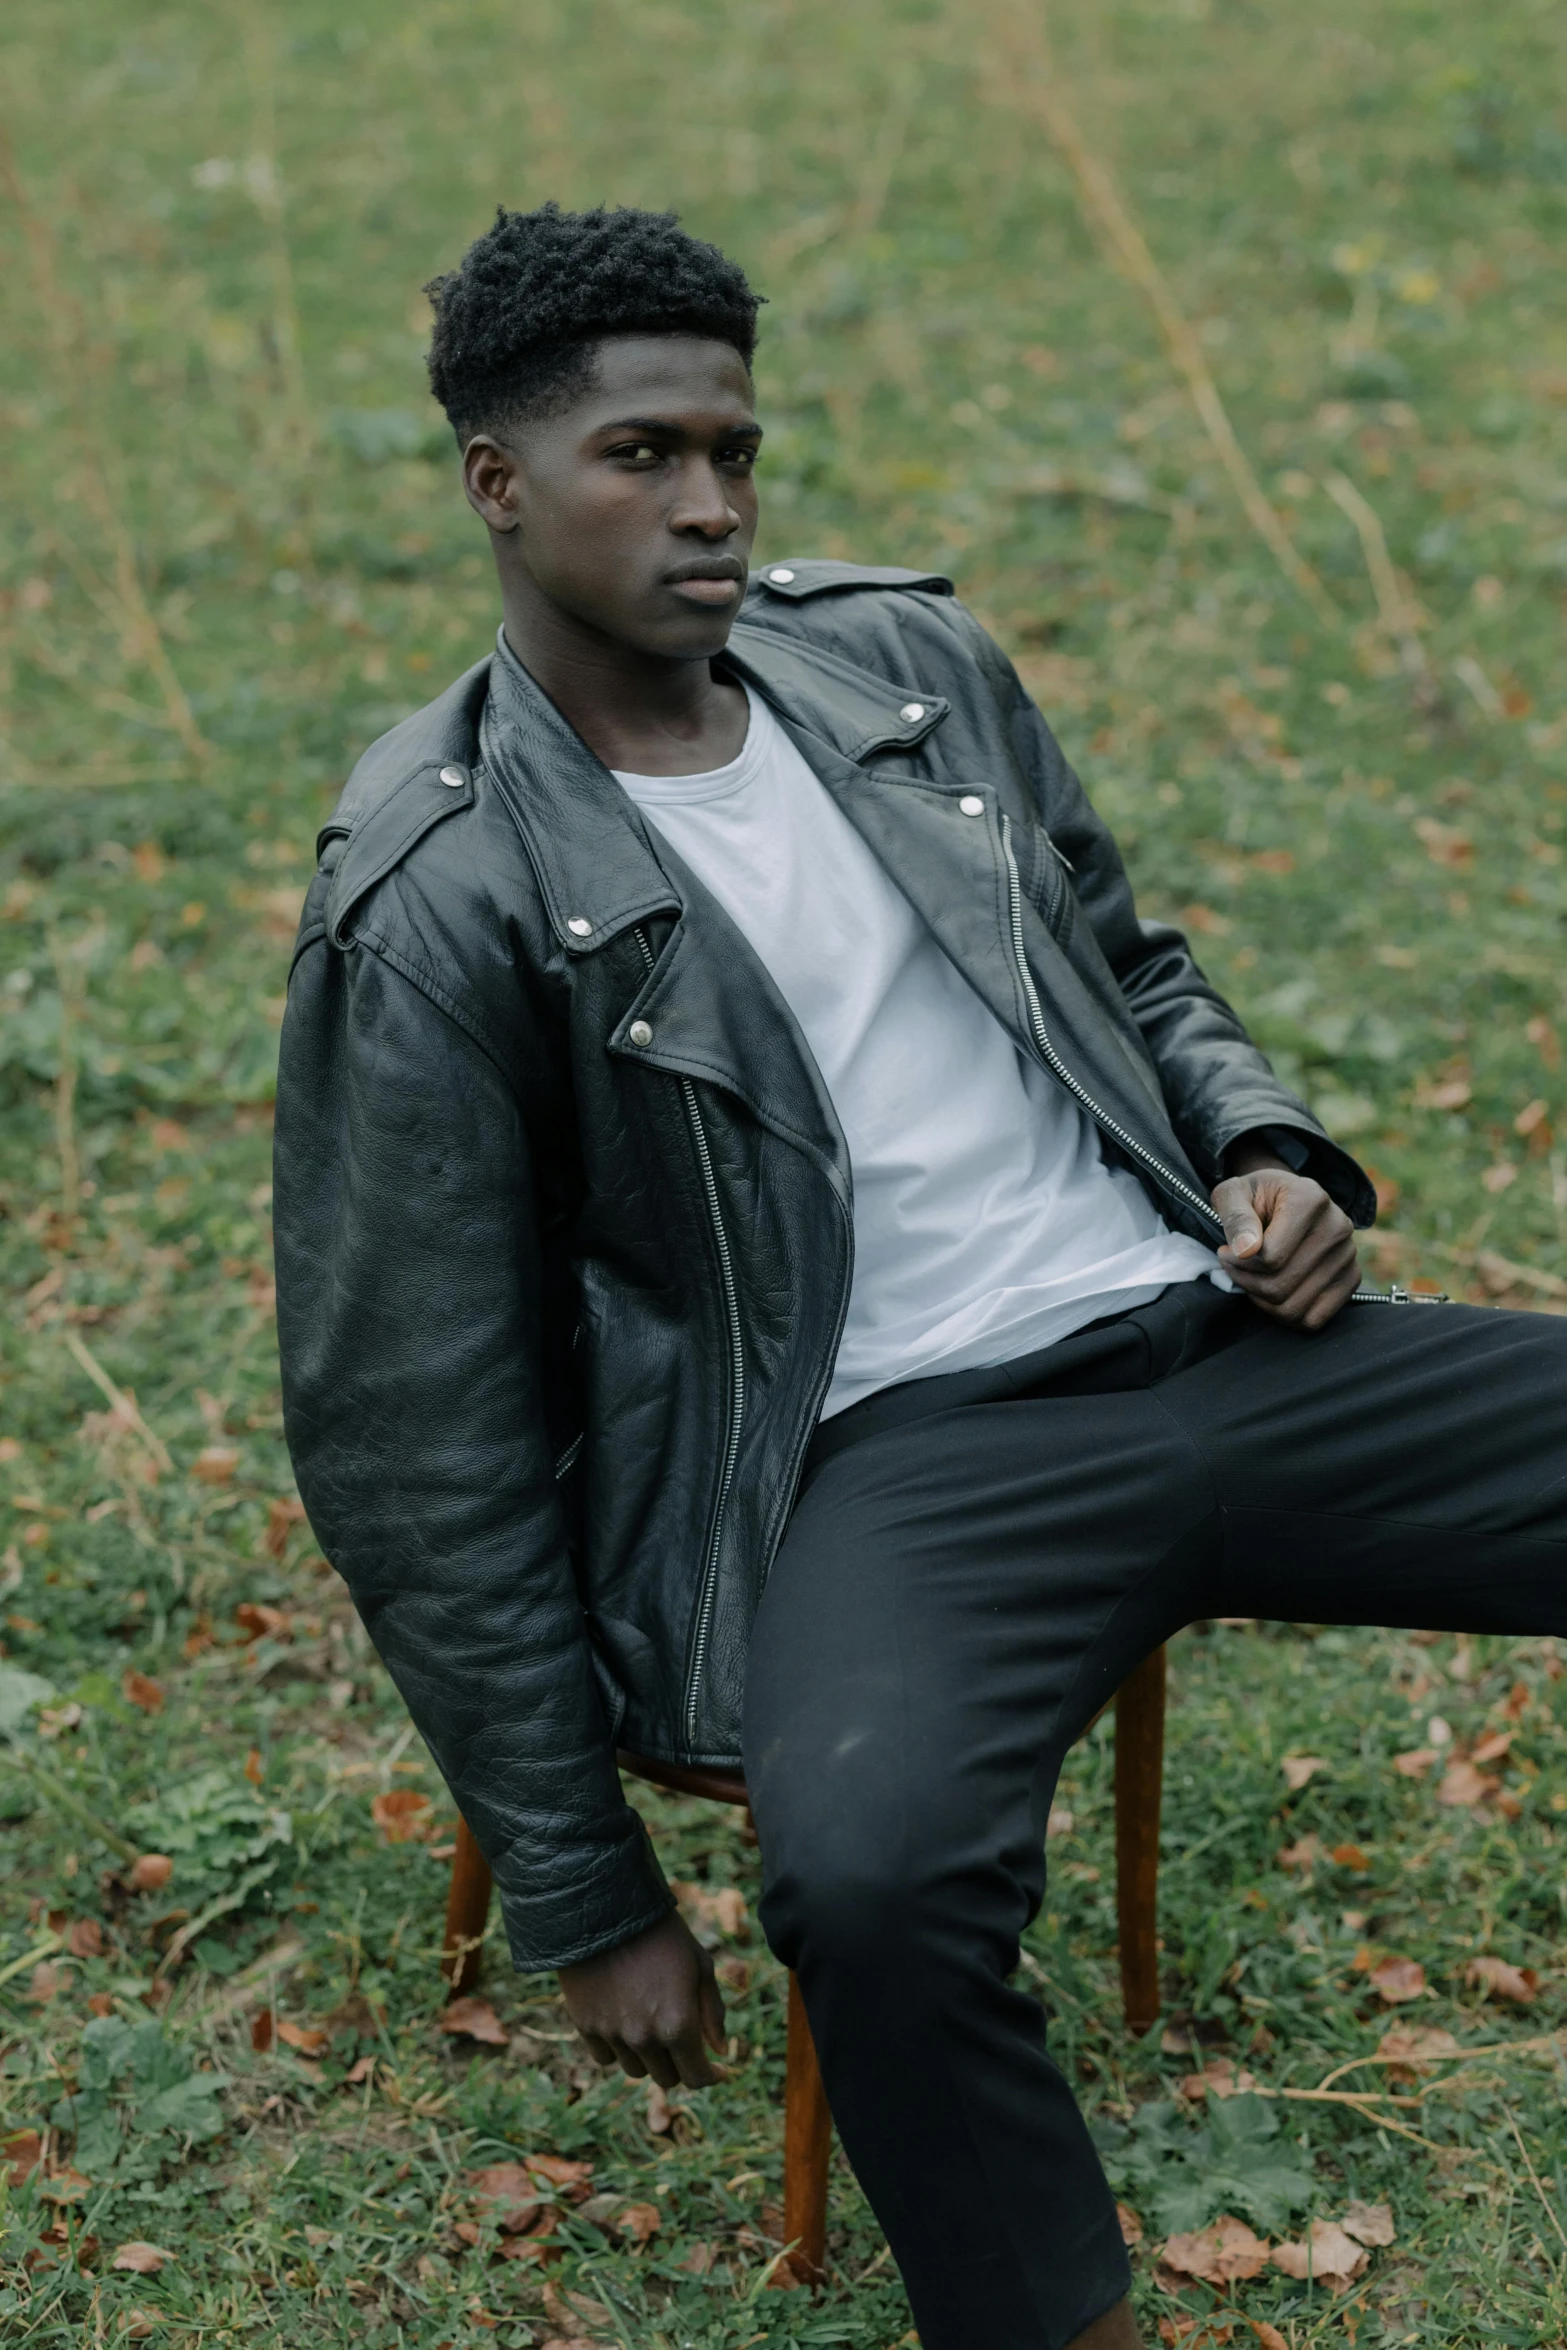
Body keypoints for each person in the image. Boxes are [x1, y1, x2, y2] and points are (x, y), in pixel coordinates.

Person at [273, 204, 1567, 2350]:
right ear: (499, 484)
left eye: (736, 451)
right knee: (866, 1883)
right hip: (900, 1453)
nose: (709, 503)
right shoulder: (444, 881)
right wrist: (589, 1886)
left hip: (1217, 1331)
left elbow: (1127, 956)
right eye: (643, 457)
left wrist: (1258, 1142)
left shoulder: (900, 662)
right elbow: (413, 1424)